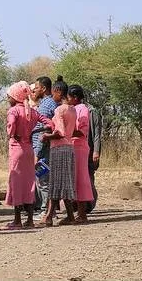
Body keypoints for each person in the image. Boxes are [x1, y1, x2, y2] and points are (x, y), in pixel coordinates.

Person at [5, 82, 53, 229]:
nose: (8, 99)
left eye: (9, 96)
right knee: (29, 183)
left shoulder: (13, 111)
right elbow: (50, 123)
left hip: (17, 149)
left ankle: (17, 220)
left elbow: (11, 124)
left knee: (16, 183)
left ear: (15, 97)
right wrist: (36, 132)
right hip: (28, 149)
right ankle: (30, 219)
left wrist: (12, 133)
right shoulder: (32, 111)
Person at [40, 76, 78, 226]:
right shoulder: (72, 110)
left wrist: (46, 136)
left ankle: (48, 216)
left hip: (59, 148)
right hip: (69, 147)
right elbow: (72, 131)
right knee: (66, 182)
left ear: (57, 91)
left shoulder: (60, 109)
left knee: (56, 182)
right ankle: (69, 215)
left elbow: (60, 132)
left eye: (53, 93)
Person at [67, 85, 94, 223]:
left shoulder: (82, 109)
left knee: (80, 179)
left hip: (79, 146)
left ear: (75, 97)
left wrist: (65, 131)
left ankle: (82, 213)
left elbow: (81, 131)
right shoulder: (73, 109)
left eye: (69, 97)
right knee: (74, 179)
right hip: (72, 146)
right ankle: (76, 212)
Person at [32, 76, 57, 218]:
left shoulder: (46, 106)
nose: (35, 89)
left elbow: (45, 130)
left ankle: (47, 211)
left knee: (43, 180)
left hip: (42, 149)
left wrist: (38, 152)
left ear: (44, 88)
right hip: (43, 148)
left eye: (37, 87)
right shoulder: (46, 104)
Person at [86, 104, 102, 213]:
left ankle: (91, 202)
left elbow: (97, 134)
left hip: (90, 150)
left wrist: (96, 151)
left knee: (89, 176)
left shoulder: (92, 112)